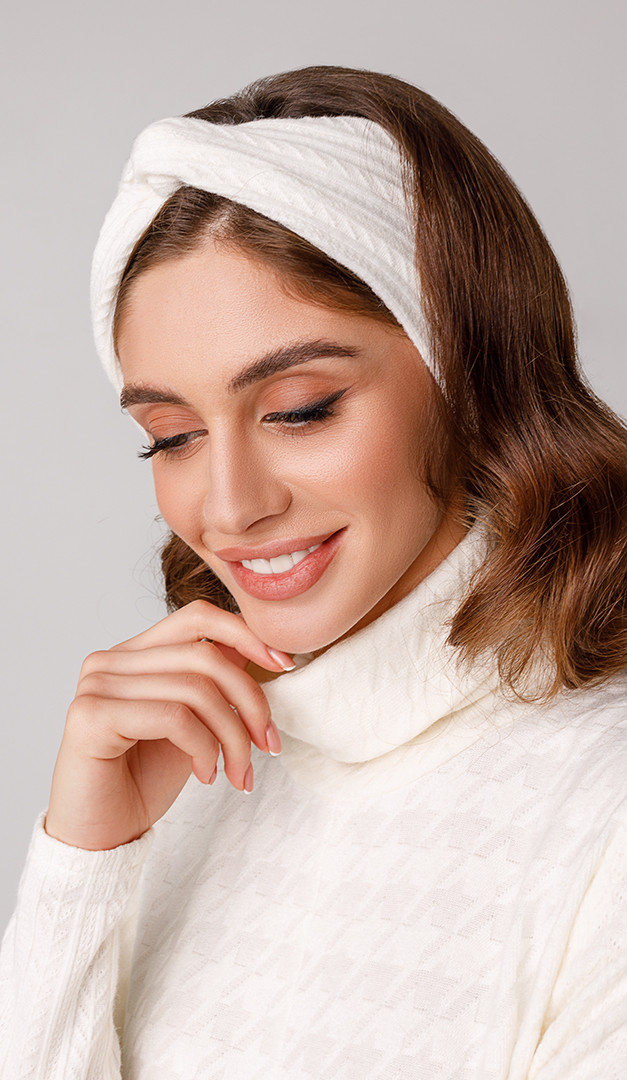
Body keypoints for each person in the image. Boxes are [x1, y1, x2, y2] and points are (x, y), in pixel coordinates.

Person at [1, 64, 626, 1079]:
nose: (229, 507)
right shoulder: (183, 773)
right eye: (171, 435)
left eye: (299, 410)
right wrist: (83, 864)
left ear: (472, 374)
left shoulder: (603, 811)